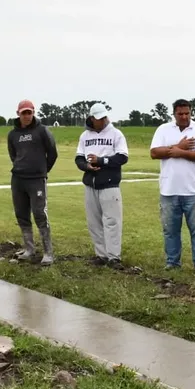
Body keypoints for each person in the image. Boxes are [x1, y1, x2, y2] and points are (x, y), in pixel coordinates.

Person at [149, 99, 195, 273]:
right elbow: (154, 152)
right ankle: (172, 262)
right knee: (170, 230)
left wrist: (181, 152)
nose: (184, 117)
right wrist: (178, 146)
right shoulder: (163, 130)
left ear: (191, 113)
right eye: (180, 114)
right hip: (169, 190)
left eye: (187, 113)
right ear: (174, 114)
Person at [75, 103, 129, 268]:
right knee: (94, 222)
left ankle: (114, 257)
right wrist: (87, 166)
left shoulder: (116, 134)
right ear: (92, 119)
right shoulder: (85, 136)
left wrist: (102, 161)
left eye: (104, 116)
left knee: (112, 221)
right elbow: (79, 159)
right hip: (90, 184)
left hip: (109, 184)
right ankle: (101, 255)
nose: (103, 120)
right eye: (99, 118)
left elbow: (122, 157)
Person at [7, 100, 58, 266]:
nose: (27, 116)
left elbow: (52, 153)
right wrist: (21, 167)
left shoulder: (42, 131)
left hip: (36, 180)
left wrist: (42, 170)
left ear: (33, 112)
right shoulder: (13, 134)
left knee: (40, 214)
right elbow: (13, 155)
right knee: (21, 214)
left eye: (29, 112)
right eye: (24, 113)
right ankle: (29, 249)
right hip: (18, 179)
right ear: (18, 114)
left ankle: (48, 253)